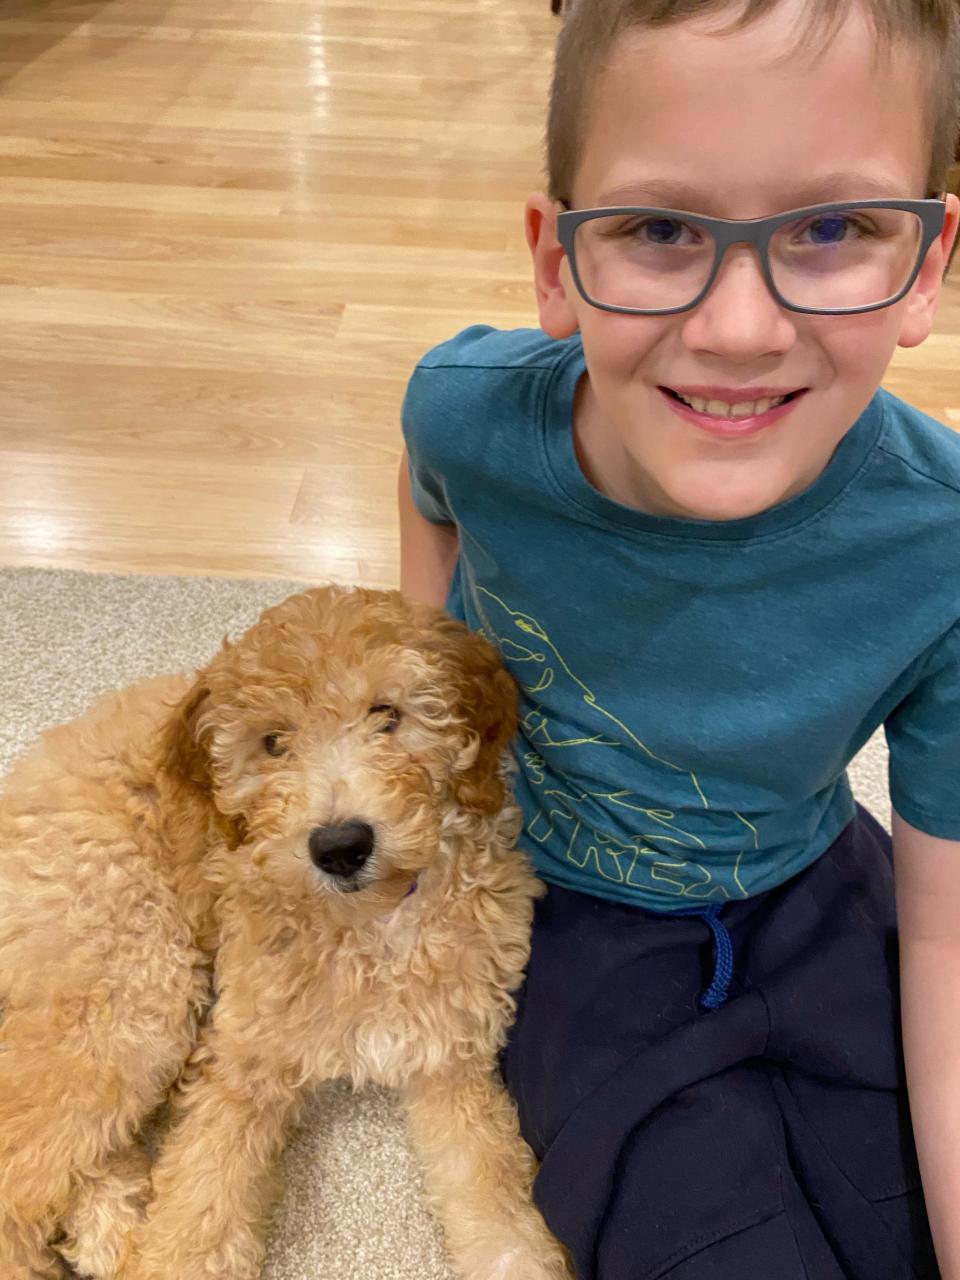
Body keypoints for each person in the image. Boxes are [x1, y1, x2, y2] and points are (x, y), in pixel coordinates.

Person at [396, 1, 960, 1275]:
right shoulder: (466, 413)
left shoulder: (941, 547)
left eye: (834, 228)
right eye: (658, 228)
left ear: (926, 265)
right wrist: (419, 701)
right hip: (567, 914)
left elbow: (945, 939)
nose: (740, 329)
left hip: (815, 887)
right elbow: (427, 488)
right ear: (553, 261)